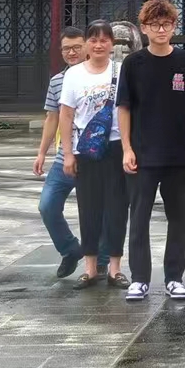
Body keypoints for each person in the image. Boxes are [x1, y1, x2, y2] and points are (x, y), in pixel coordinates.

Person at [116, 0, 185, 303]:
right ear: (144, 28)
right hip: (142, 154)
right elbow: (124, 108)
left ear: (174, 26)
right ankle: (139, 279)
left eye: (166, 24)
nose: (161, 29)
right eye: (155, 24)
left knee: (177, 219)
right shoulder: (133, 64)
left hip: (177, 154)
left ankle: (174, 277)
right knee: (139, 219)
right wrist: (126, 148)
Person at [60, 20, 128, 289]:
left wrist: (130, 148)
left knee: (117, 208)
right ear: (87, 44)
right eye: (94, 40)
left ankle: (115, 268)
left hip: (115, 146)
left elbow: (128, 110)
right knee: (88, 207)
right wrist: (68, 153)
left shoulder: (122, 70)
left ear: (112, 44)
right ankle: (90, 268)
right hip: (86, 149)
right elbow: (66, 115)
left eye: (104, 40)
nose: (99, 45)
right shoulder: (74, 74)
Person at [34, 27, 87, 278]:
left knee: (97, 211)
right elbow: (51, 118)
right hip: (63, 158)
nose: (72, 52)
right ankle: (70, 249)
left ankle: (102, 261)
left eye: (77, 47)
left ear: (86, 47)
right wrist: (41, 153)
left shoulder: (100, 77)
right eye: (66, 49)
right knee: (48, 206)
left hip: (93, 156)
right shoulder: (57, 81)